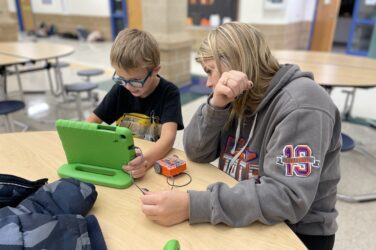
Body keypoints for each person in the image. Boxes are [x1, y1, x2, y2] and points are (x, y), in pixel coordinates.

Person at [140, 22, 341, 250]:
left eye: (209, 71)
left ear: (235, 64)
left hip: (297, 233)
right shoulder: (238, 95)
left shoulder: (303, 105)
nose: (208, 83)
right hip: (241, 209)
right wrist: (215, 106)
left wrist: (192, 205)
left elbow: (287, 198)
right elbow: (197, 151)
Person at [86, 28, 184, 178]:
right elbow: (91, 122)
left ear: (155, 70)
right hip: (122, 162)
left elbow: (167, 139)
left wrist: (145, 162)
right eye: (121, 78)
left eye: (136, 80)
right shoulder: (120, 89)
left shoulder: (169, 93)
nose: (128, 86)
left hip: (151, 164)